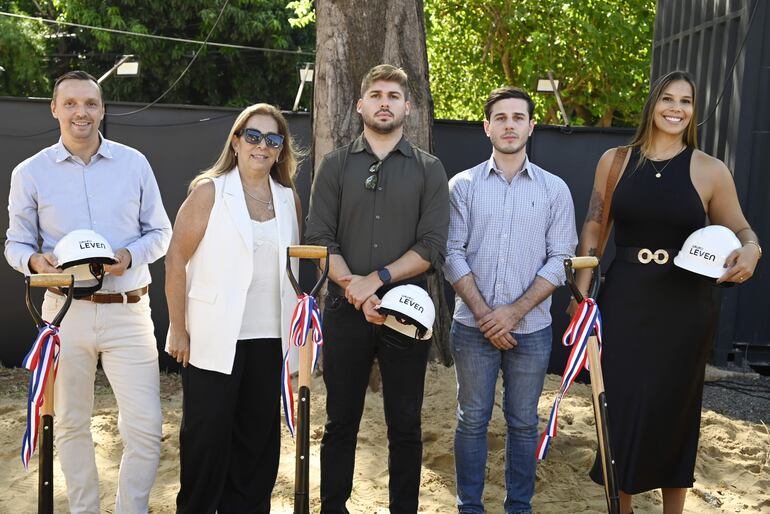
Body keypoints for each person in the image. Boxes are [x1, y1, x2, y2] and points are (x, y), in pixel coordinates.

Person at [575, 70, 761, 514]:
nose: (676, 108)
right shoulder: (615, 160)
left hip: (685, 306)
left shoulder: (710, 169)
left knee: (674, 410)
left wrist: (753, 249)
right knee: (620, 405)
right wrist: (581, 295)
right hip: (624, 300)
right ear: (653, 105)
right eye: (668, 99)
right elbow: (596, 226)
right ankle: (621, 508)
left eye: (686, 101)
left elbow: (740, 228)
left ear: (694, 111)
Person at [5, 70, 172, 514]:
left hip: (129, 308)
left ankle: (130, 509)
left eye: (91, 104)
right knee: (71, 423)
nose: (82, 112)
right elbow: (16, 243)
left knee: (144, 425)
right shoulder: (30, 172)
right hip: (63, 314)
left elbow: (161, 232)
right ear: (55, 108)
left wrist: (129, 256)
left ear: (103, 109)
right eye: (72, 103)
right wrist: (35, 262)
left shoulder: (134, 163)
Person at [305, 64, 449, 514]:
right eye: (376, 94)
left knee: (405, 422)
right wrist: (357, 290)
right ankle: (334, 507)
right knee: (340, 420)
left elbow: (431, 246)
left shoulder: (429, 169)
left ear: (408, 106)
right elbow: (319, 239)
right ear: (361, 105)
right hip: (346, 310)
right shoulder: (334, 165)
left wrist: (379, 282)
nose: (384, 101)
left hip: (408, 310)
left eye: (393, 95)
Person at [444, 86, 577, 514]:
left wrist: (514, 312)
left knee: (523, 423)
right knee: (471, 420)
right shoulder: (461, 186)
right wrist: (486, 315)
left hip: (532, 329)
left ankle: (518, 507)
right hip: (471, 326)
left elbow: (561, 258)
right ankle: (470, 507)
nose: (509, 125)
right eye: (500, 118)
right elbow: (450, 252)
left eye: (518, 117)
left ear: (531, 126)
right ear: (487, 127)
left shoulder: (555, 190)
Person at [164, 103, 302, 513]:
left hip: (270, 337)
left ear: (281, 149)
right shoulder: (209, 190)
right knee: (206, 442)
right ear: (236, 141)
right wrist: (177, 328)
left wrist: (297, 345)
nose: (262, 146)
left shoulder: (289, 198)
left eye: (272, 139)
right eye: (254, 136)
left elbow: (293, 272)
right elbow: (175, 260)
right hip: (212, 338)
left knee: (257, 445)